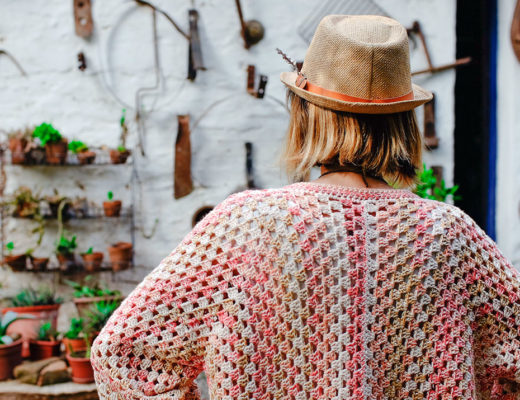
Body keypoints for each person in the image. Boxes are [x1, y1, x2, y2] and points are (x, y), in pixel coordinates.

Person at [91, 15, 520, 399]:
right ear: (403, 120)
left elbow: (124, 355)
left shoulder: (244, 224)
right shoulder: (451, 235)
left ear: (306, 114)